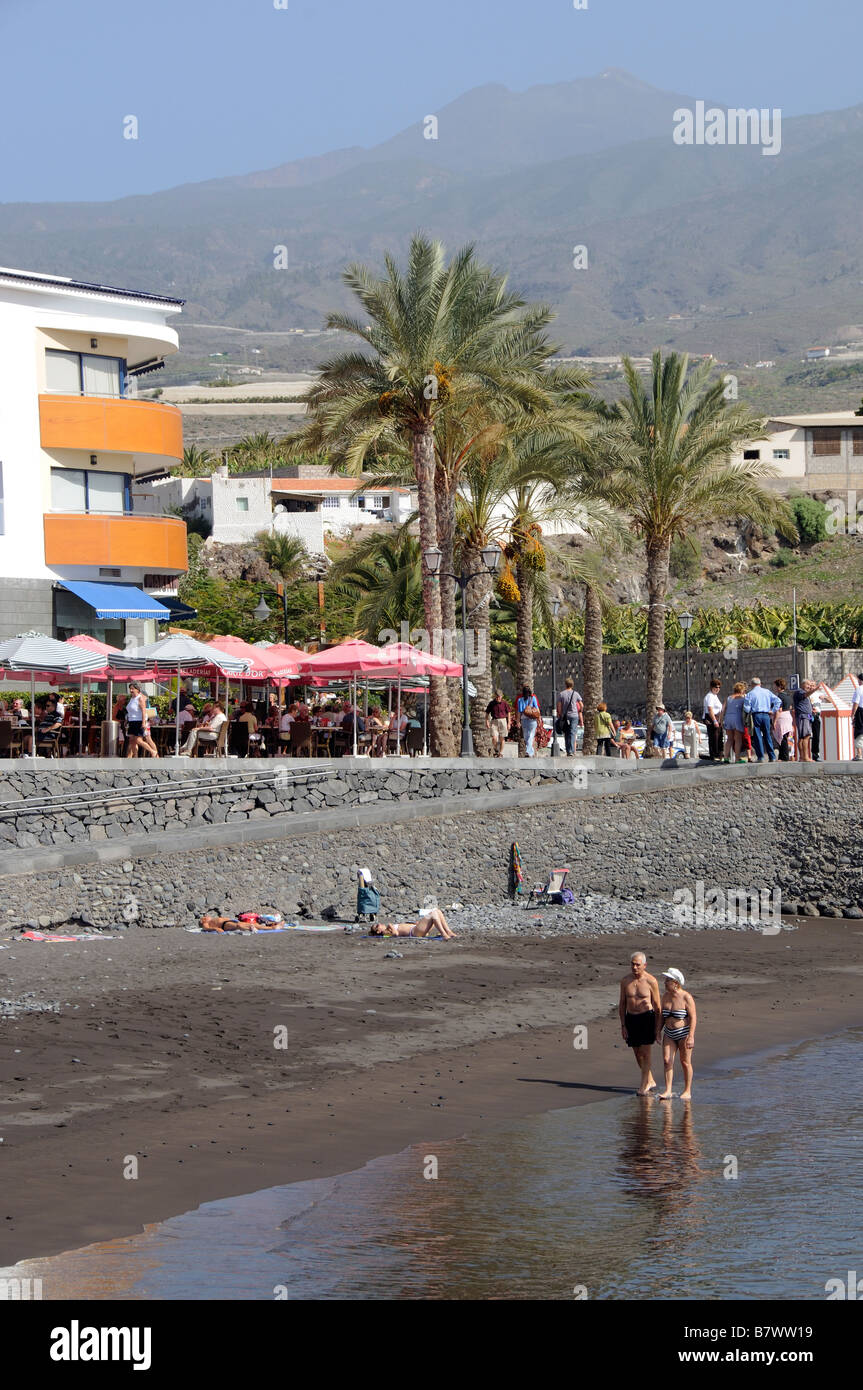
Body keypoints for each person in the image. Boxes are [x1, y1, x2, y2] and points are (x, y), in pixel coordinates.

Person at [619, 951, 662, 1096]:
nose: (635, 967)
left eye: (638, 965)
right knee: (637, 1053)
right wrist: (623, 1025)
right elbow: (622, 1004)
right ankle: (650, 1080)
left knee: (645, 1053)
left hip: (646, 1018)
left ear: (644, 965)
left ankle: (643, 1086)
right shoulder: (625, 981)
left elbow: (657, 1006)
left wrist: (658, 1028)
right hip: (631, 1018)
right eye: (633, 964)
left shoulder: (651, 981)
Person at [658, 968, 697, 1101]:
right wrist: (657, 1031)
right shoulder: (665, 996)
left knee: (685, 1062)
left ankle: (687, 1090)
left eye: (668, 980)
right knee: (667, 1060)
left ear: (675, 982)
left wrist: (691, 1036)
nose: (665, 982)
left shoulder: (686, 997)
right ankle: (668, 1090)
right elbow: (661, 1017)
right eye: (665, 980)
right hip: (668, 1033)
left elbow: (693, 1017)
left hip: (683, 1033)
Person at [743, 677, 780, 762]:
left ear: (752, 685)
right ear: (760, 684)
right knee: (767, 735)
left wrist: (750, 710)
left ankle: (761, 757)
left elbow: (746, 708)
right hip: (766, 715)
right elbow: (778, 701)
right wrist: (773, 710)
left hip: (756, 715)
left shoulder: (750, 694)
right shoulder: (767, 692)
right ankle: (772, 756)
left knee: (758, 736)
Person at [369, 907, 456, 939]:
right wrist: (390, 926)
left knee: (437, 911)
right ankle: (444, 934)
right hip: (414, 932)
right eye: (377, 925)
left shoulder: (387, 930)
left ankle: (448, 931)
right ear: (378, 931)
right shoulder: (385, 933)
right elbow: (396, 934)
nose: (379, 924)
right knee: (433, 913)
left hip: (416, 928)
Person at [124, 683, 159, 759]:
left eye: (133, 688)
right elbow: (131, 711)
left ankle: (152, 751)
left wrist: (143, 722)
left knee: (138, 740)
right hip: (132, 721)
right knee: (132, 740)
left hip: (138, 721)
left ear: (137, 689)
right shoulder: (132, 698)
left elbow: (143, 711)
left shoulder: (140, 698)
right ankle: (135, 756)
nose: (131, 690)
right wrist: (127, 720)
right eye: (130, 688)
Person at [720, 682, 747, 763]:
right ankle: (737, 758)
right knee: (738, 739)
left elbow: (722, 710)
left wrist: (721, 720)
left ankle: (726, 757)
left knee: (729, 739)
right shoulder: (743, 698)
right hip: (737, 718)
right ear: (742, 690)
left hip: (728, 718)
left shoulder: (729, 698)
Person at [556, 676, 582, 756]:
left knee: (566, 733)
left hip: (565, 716)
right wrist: (580, 710)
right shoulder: (576, 694)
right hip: (574, 716)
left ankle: (568, 751)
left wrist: (560, 714)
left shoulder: (561, 694)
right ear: (572, 685)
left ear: (565, 684)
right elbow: (582, 704)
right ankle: (572, 751)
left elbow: (559, 706)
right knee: (572, 733)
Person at [792, 679, 815, 761]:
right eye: (807, 685)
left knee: (802, 737)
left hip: (806, 716)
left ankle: (802, 757)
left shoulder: (802, 693)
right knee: (806, 736)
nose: (809, 686)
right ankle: (805, 757)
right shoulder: (800, 692)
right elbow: (805, 695)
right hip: (803, 716)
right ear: (802, 684)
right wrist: (815, 689)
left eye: (810, 685)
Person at [517, 684, 542, 757]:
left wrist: (518, 721)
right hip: (532, 720)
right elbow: (537, 709)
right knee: (530, 735)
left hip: (524, 720)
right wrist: (539, 718)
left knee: (526, 736)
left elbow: (519, 712)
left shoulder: (520, 700)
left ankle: (528, 751)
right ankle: (530, 751)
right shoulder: (533, 698)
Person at [485, 689, 511, 757]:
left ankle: (501, 753)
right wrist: (487, 721)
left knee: (502, 738)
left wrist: (509, 723)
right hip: (494, 721)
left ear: (501, 696)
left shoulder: (504, 703)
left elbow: (508, 713)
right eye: (497, 697)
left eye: (499, 697)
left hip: (503, 721)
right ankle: (496, 749)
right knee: (494, 737)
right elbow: (487, 713)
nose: (498, 698)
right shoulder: (492, 703)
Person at [702, 680, 723, 761]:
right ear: (711, 687)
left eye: (719, 687)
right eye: (716, 687)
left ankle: (718, 754)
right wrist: (714, 721)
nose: (717, 689)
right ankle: (714, 755)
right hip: (711, 717)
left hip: (717, 717)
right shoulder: (710, 696)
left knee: (718, 737)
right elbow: (710, 709)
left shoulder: (715, 696)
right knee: (714, 737)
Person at [810, 685, 822, 762]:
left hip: (817, 716)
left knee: (816, 736)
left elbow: (830, 700)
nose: (812, 687)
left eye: (813, 685)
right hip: (810, 715)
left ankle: (815, 754)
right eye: (810, 685)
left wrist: (824, 697)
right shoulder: (808, 694)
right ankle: (805, 755)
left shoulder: (818, 694)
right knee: (807, 736)